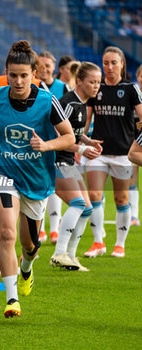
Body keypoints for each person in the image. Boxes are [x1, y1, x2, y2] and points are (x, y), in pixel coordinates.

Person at [0, 40, 75, 318]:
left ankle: (26, 269)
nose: (19, 81)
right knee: (7, 231)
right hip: (2, 172)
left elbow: (69, 137)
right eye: (13, 75)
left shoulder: (48, 102)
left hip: (36, 179)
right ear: (6, 73)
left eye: (24, 75)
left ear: (34, 74)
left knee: (29, 246)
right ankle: (12, 299)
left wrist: (46, 146)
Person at [84, 46, 142, 258]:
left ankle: (120, 244)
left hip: (124, 154)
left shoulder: (130, 88)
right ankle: (98, 242)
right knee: (95, 195)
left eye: (113, 63)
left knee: (121, 199)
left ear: (122, 63)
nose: (109, 67)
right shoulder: (96, 88)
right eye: (105, 63)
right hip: (98, 151)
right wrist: (81, 144)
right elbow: (87, 118)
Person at [50, 62, 103, 271]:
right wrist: (81, 150)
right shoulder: (69, 102)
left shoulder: (81, 103)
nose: (96, 86)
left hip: (68, 160)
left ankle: (70, 256)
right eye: (92, 82)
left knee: (87, 208)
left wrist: (87, 141)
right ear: (79, 81)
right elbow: (56, 135)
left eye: (98, 82)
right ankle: (58, 254)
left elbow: (72, 131)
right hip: (56, 159)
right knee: (79, 203)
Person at [38, 51, 69, 244]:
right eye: (40, 65)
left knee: (54, 185)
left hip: (55, 144)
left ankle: (54, 229)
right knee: (40, 184)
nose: (44, 69)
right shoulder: (30, 86)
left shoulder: (62, 87)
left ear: (54, 68)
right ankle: (39, 228)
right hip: (36, 144)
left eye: (47, 65)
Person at [129, 64, 142, 226]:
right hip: (131, 139)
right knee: (132, 178)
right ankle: (134, 216)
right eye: (141, 76)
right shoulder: (132, 95)